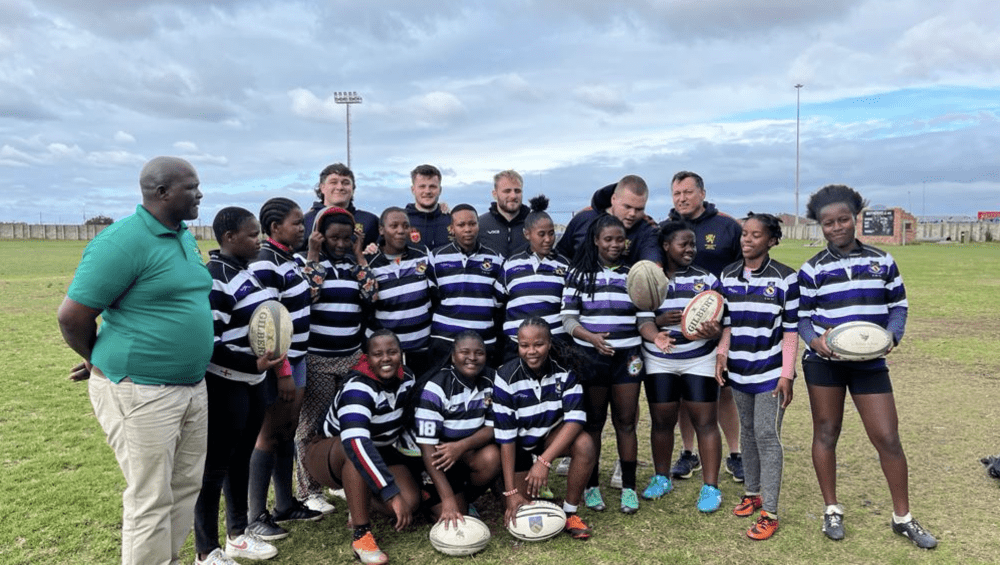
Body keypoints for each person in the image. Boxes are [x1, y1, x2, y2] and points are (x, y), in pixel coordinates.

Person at [56, 156, 213, 565]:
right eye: (191, 187)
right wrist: (98, 360)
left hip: (191, 387)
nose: (200, 194)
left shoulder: (182, 235)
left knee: (183, 489)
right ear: (161, 193)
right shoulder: (121, 242)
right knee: (150, 498)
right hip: (139, 390)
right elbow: (72, 317)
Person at [799, 184, 937, 549]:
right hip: (824, 363)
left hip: (870, 363)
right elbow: (802, 317)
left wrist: (892, 336)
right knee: (826, 433)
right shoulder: (812, 269)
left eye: (843, 219)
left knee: (888, 437)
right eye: (828, 223)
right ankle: (832, 508)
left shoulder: (883, 260)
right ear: (820, 226)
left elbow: (899, 306)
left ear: (855, 218)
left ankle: (902, 518)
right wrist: (816, 343)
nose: (837, 227)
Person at [194, 207, 287, 565]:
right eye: (252, 234)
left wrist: (261, 367)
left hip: (254, 382)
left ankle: (237, 535)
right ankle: (206, 550)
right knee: (214, 467)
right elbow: (210, 343)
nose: (259, 240)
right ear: (229, 237)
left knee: (239, 460)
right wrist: (251, 362)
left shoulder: (246, 272)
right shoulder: (214, 279)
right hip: (226, 385)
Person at [302, 330, 421, 565]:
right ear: (366, 358)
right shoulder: (358, 386)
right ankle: (361, 535)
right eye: (377, 354)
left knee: (410, 503)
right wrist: (390, 492)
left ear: (401, 354)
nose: (386, 358)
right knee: (354, 450)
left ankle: (359, 498)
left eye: (392, 352)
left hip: (380, 451)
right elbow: (355, 441)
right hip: (328, 452)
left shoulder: (408, 379)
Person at [716, 213, 798, 540]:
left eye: (755, 235)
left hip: (771, 373)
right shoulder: (728, 275)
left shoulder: (785, 279)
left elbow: (791, 332)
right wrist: (722, 355)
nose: (747, 240)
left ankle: (771, 512)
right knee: (747, 433)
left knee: (766, 434)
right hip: (739, 370)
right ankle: (753, 493)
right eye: (744, 234)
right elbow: (727, 324)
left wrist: (787, 374)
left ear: (772, 240)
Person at [246, 197, 322, 542]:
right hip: (284, 365)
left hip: (299, 359)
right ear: (275, 228)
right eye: (296, 223)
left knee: (286, 432)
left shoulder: (287, 258)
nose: (302, 228)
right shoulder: (266, 263)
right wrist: (283, 372)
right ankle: (255, 516)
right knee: (269, 434)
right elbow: (267, 325)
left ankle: (286, 505)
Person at [294, 206, 378, 513]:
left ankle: (340, 479)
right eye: (334, 238)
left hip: (351, 357)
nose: (340, 243)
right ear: (320, 236)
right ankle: (309, 491)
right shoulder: (309, 263)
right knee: (310, 426)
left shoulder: (353, 267)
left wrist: (359, 256)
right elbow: (309, 293)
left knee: (345, 422)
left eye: (347, 238)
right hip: (318, 359)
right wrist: (313, 254)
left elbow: (371, 294)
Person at [637, 221, 725, 513]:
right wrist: (656, 328)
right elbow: (641, 318)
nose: (690, 250)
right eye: (683, 244)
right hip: (658, 358)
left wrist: (713, 331)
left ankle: (711, 487)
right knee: (662, 421)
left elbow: (722, 321)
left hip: (699, 358)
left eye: (693, 245)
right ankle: (662, 478)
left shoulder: (707, 279)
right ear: (666, 246)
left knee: (705, 422)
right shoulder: (650, 276)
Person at [665, 171, 745, 484]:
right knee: (686, 393)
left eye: (687, 192)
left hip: (721, 324)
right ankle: (688, 453)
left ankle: (735, 454)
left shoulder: (726, 225)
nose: (682, 198)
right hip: (683, 329)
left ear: (702, 193)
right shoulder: (665, 229)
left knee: (724, 390)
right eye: (676, 193)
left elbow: (746, 264)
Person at [561, 215, 644, 514]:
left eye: (619, 239)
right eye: (607, 239)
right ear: (596, 240)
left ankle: (629, 489)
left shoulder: (634, 274)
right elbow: (568, 319)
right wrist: (591, 337)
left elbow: (644, 315)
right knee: (593, 423)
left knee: (625, 422)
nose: (613, 244)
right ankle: (591, 486)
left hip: (627, 357)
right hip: (590, 356)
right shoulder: (578, 274)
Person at [493, 318, 596, 540]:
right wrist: (511, 493)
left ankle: (570, 513)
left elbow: (575, 419)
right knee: (521, 508)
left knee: (585, 443)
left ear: (549, 343)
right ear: (517, 345)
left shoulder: (565, 371)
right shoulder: (504, 377)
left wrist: (543, 462)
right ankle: (501, 485)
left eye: (538, 344)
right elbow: (506, 438)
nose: (531, 351)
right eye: (524, 345)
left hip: (548, 439)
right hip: (519, 446)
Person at [414, 331, 500, 526]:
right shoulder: (436, 387)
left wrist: (461, 446)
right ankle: (437, 499)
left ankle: (464, 498)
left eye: (479, 353)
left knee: (492, 456)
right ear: (453, 356)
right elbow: (427, 448)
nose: (472, 358)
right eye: (464, 352)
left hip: (465, 455)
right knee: (455, 518)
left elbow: (493, 427)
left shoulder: (492, 381)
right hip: (436, 463)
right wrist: (448, 499)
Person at [426, 204, 505, 364]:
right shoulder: (436, 257)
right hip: (445, 339)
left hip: (483, 340)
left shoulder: (496, 258)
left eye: (472, 224)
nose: (467, 229)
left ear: (478, 225)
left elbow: (499, 301)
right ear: (452, 228)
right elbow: (432, 298)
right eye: (461, 225)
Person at [365, 207, 434, 378]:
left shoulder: (422, 256)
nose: (401, 231)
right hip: (385, 355)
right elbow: (365, 308)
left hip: (421, 350)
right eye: (394, 226)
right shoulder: (369, 263)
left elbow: (436, 295)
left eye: (405, 226)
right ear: (381, 230)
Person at [500, 195, 571, 362]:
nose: (548, 239)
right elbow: (498, 301)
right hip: (516, 346)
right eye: (541, 234)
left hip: (555, 346)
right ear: (527, 234)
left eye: (551, 233)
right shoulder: (511, 265)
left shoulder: (565, 266)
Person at [554, 175, 659, 265]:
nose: (632, 214)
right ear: (613, 199)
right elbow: (559, 258)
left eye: (639, 209)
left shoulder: (648, 231)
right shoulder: (583, 220)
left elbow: (652, 267)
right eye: (627, 207)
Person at [301, 163, 379, 251]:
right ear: (322, 188)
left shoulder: (370, 221)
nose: (340, 187)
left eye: (346, 183)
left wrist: (374, 250)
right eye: (333, 182)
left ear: (353, 189)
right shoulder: (307, 220)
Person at [479, 169, 529, 257]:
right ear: (495, 194)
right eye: (507, 191)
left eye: (517, 191)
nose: (513, 196)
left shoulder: (534, 223)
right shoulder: (480, 225)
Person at [406, 164, 451, 251]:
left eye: (432, 187)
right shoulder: (401, 222)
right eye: (422, 186)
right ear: (413, 190)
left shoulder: (452, 220)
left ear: (440, 190)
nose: (427, 191)